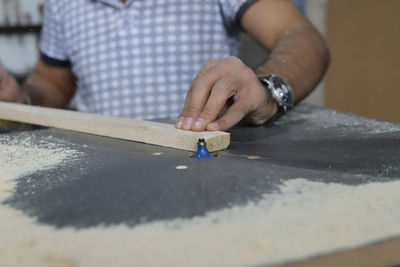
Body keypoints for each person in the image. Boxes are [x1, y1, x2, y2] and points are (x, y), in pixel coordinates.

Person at [0, 0, 329, 132]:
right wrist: (22, 100)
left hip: (205, 169)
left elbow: (302, 38)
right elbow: (54, 82)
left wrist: (268, 88)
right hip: (97, 175)